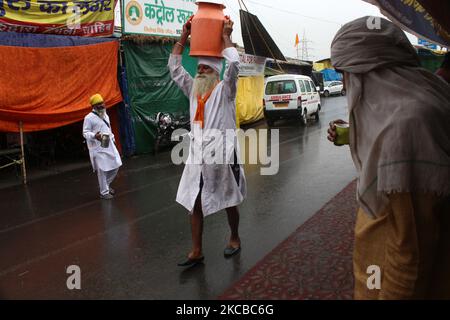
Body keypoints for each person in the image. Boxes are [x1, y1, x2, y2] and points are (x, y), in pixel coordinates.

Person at [327, 17, 450, 299]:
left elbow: (410, 257)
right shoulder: (428, 101)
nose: (346, 87)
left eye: (344, 73)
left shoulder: (406, 129)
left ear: (362, 72)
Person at [168, 17, 246, 267]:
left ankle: (234, 237)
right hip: (197, 155)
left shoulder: (225, 90)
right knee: (194, 201)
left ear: (216, 72)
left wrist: (225, 35)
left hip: (222, 154)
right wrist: (184, 38)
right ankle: (196, 251)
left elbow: (234, 63)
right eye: (199, 68)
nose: (199, 71)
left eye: (205, 69)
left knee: (228, 199)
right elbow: (175, 69)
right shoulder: (193, 90)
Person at [83, 94, 122, 200]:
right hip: (97, 147)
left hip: (108, 144)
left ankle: (106, 185)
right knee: (102, 170)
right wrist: (94, 136)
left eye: (102, 103)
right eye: (98, 104)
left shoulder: (105, 114)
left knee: (116, 164)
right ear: (93, 106)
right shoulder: (88, 118)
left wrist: (113, 139)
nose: (101, 105)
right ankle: (104, 192)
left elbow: (108, 128)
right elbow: (85, 133)